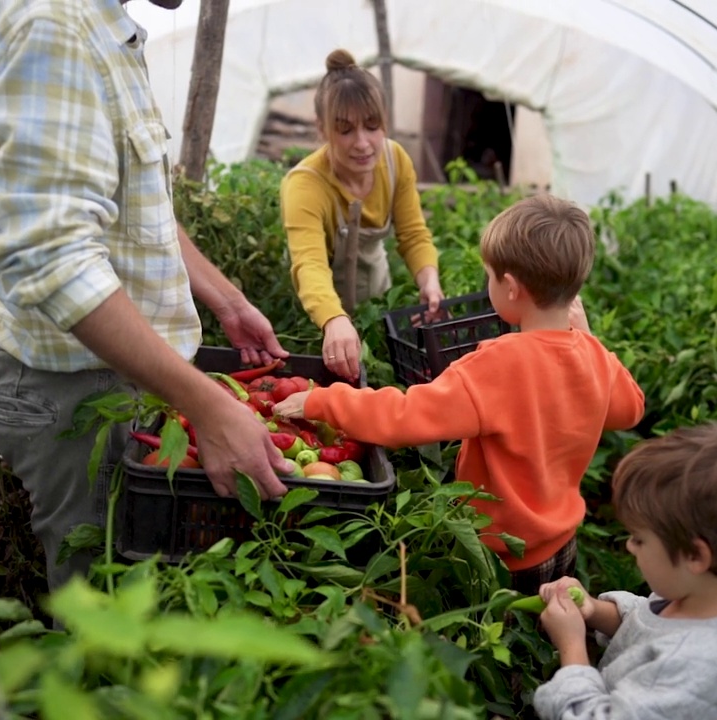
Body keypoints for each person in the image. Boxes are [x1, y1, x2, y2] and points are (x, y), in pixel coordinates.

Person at [0, 0, 294, 592]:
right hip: (74, 394)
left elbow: (135, 209)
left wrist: (228, 301)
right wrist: (209, 409)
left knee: (122, 587)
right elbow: (54, 258)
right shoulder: (54, 27)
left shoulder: (100, 28)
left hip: (112, 377)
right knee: (99, 609)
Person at [274, 195, 646, 593]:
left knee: (492, 625)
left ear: (511, 288)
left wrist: (322, 400)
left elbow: (406, 416)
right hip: (560, 545)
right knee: (549, 632)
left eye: (489, 276)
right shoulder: (592, 356)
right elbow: (630, 409)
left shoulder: (497, 365)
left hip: (497, 555)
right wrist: (588, 338)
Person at [533, 424, 717, 720]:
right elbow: (649, 624)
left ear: (695, 556)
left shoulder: (696, 669)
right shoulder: (705, 596)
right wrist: (592, 609)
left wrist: (572, 649)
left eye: (640, 539)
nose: (630, 546)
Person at [280, 48, 445, 382]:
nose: (363, 143)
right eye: (345, 130)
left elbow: (413, 234)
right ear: (323, 129)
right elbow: (309, 264)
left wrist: (429, 280)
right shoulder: (305, 184)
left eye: (372, 126)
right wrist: (332, 320)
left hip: (376, 296)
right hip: (315, 315)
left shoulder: (395, 161)